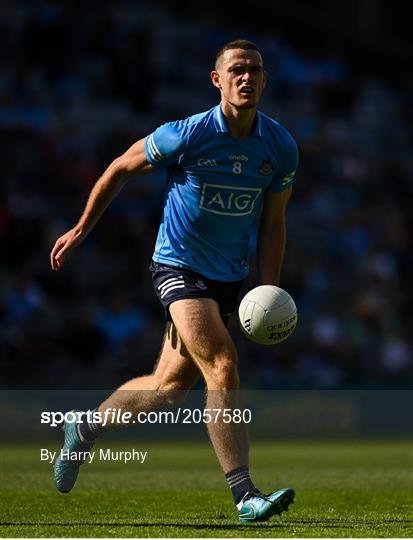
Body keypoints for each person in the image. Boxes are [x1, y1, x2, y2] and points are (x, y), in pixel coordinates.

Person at [50, 39, 298, 523]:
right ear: (217, 80)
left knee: (168, 389)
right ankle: (245, 495)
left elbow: (273, 223)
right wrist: (82, 228)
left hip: (229, 276)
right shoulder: (187, 134)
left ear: (265, 81)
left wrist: (269, 289)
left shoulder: (280, 147)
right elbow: (121, 167)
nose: (246, 77)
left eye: (255, 71)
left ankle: (83, 428)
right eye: (237, 70)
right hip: (178, 266)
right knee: (223, 364)